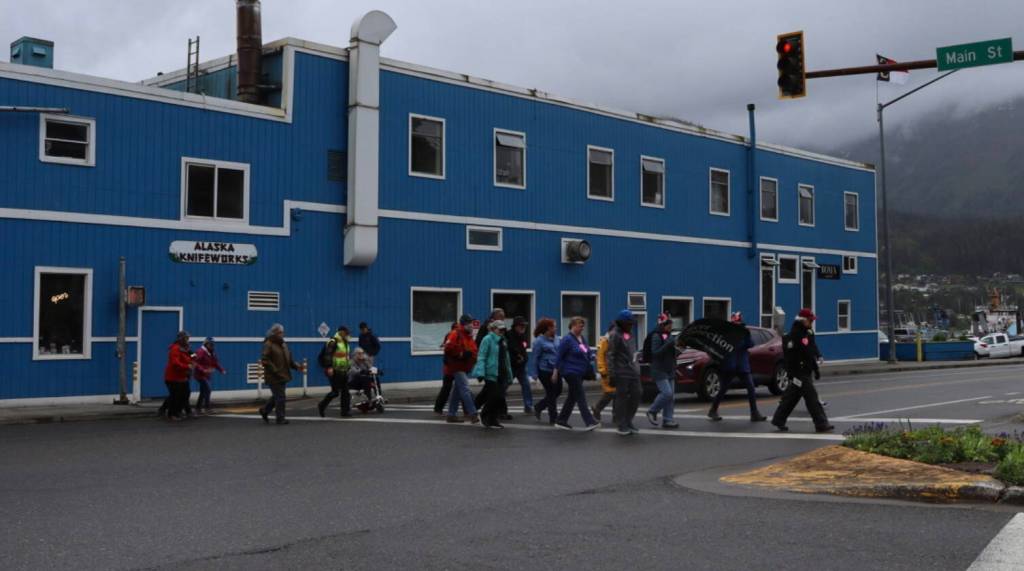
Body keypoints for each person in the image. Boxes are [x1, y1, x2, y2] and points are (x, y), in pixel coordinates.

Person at [771, 309, 834, 433]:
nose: (812, 322)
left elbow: (811, 350)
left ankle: (778, 419)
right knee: (812, 398)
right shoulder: (794, 336)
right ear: (803, 320)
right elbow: (791, 357)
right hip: (798, 372)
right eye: (810, 320)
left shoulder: (807, 333)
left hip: (805, 370)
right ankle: (821, 424)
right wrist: (791, 374)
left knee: (792, 397)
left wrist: (816, 363)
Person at [707, 312, 767, 422]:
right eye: (736, 324)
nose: (738, 326)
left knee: (751, 388)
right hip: (730, 365)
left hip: (742, 365)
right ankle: (713, 409)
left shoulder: (744, 333)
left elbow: (751, 344)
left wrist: (746, 335)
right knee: (723, 388)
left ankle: (754, 413)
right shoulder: (727, 335)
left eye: (739, 324)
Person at [552, 316, 599, 432]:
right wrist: (555, 372)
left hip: (580, 372)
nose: (582, 328)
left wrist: (593, 356)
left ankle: (561, 420)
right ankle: (589, 421)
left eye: (583, 326)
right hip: (570, 372)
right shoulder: (567, 340)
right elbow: (559, 356)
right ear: (573, 325)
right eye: (580, 326)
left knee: (572, 397)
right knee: (580, 395)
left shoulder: (581, 338)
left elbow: (586, 352)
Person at [472, 320, 514, 429]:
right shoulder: (487, 339)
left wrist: (509, 375)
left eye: (503, 329)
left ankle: (493, 419)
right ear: (493, 329)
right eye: (499, 329)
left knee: (499, 398)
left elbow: (506, 359)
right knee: (496, 396)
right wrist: (480, 372)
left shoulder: (503, 341)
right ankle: (485, 416)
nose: (502, 331)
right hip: (491, 373)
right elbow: (482, 356)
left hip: (502, 372)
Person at [259, 323, 303, 425]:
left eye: (282, 332)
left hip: (283, 374)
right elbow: (265, 360)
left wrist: (296, 366)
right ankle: (280, 418)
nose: (282, 334)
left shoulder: (283, 344)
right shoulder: (268, 344)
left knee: (277, 396)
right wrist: (275, 370)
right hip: (273, 375)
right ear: (274, 333)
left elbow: (288, 358)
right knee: (280, 397)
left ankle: (264, 410)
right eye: (280, 332)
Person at [609, 310, 642, 436]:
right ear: (622, 323)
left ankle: (629, 420)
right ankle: (621, 423)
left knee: (637, 393)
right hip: (621, 372)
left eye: (632, 324)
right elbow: (610, 355)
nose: (631, 326)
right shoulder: (615, 335)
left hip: (633, 371)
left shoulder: (630, 334)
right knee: (621, 398)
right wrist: (611, 373)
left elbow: (632, 351)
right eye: (629, 323)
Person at [443, 314, 479, 424]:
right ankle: (473, 413)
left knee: (457, 391)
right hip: (457, 367)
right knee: (465, 389)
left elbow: (473, 350)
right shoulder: (456, 334)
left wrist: (470, 356)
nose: (471, 325)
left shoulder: (468, 336)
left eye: (472, 323)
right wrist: (461, 354)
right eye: (469, 323)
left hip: (463, 367)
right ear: (464, 323)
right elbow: (448, 348)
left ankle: (451, 415)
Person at [645, 313, 680, 429]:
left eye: (671, 324)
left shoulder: (669, 336)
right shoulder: (656, 336)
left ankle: (668, 419)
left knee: (671, 396)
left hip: (670, 369)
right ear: (662, 325)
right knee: (667, 393)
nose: (670, 327)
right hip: (659, 369)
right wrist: (668, 344)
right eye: (668, 324)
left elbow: (672, 354)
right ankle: (652, 410)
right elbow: (655, 353)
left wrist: (680, 350)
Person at [531, 318, 561, 425]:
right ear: (548, 328)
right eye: (554, 326)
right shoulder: (539, 341)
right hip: (544, 370)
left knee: (558, 391)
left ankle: (539, 406)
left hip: (556, 370)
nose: (556, 328)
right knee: (551, 393)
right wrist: (534, 373)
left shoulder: (557, 339)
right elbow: (535, 357)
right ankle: (554, 418)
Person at [317, 326, 353, 418]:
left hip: (343, 370)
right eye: (346, 333)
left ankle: (345, 412)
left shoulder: (345, 342)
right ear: (341, 332)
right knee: (335, 392)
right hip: (334, 370)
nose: (348, 335)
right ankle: (322, 405)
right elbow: (328, 355)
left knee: (345, 392)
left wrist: (349, 366)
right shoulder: (333, 341)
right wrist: (329, 367)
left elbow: (345, 356)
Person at [162, 330, 194, 421]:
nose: (188, 340)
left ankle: (178, 411)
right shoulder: (175, 349)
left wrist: (193, 359)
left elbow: (194, 356)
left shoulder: (187, 349)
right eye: (186, 338)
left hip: (183, 377)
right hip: (173, 377)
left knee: (185, 394)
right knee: (175, 396)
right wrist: (187, 366)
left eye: (188, 338)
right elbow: (175, 363)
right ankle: (172, 414)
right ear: (181, 339)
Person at [506, 316, 534, 415]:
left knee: (526, 385)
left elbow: (524, 348)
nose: (523, 327)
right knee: (504, 386)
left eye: (524, 326)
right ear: (515, 326)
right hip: (512, 366)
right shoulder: (509, 335)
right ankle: (497, 405)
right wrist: (517, 357)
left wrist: (524, 358)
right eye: (521, 326)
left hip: (521, 366)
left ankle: (528, 406)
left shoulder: (523, 336)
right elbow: (510, 349)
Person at [192, 337, 226, 415]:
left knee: (203, 392)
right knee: (207, 390)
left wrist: (221, 370)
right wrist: (203, 369)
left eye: (213, 344)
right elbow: (195, 362)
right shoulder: (200, 352)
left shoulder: (211, 353)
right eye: (210, 344)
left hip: (206, 375)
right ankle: (207, 408)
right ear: (206, 344)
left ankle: (198, 409)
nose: (212, 346)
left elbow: (215, 363)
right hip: (200, 375)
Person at [592, 322, 616, 423]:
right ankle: (597, 408)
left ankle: (616, 415)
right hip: (606, 371)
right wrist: (602, 370)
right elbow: (600, 356)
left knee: (616, 393)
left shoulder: (613, 340)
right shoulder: (605, 340)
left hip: (614, 371)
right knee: (611, 392)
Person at [434, 323, 458, 416]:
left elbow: (445, 346)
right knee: (462, 388)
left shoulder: (449, 335)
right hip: (453, 366)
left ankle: (438, 407)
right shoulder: (454, 335)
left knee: (447, 388)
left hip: (449, 367)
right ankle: (468, 410)